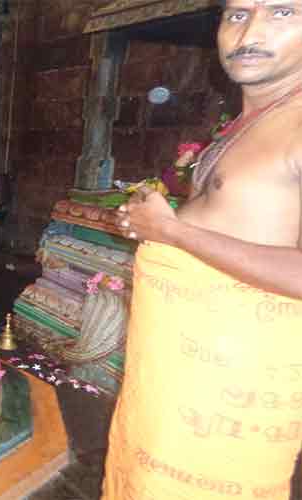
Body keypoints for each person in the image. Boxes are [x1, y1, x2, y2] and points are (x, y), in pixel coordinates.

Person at [103, 1, 302, 499]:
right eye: (237, 14)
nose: (250, 31)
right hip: (173, 391)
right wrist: (157, 223)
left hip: (232, 407)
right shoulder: (242, 124)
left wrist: (175, 234)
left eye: (283, 13)